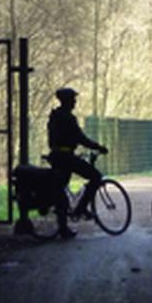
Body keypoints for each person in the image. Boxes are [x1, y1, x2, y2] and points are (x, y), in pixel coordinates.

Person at [47, 87, 109, 239]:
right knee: (96, 177)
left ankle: (64, 226)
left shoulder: (54, 116)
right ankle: (80, 209)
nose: (75, 102)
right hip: (66, 157)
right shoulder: (68, 118)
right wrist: (99, 147)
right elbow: (81, 138)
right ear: (67, 101)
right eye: (73, 99)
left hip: (56, 156)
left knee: (60, 188)